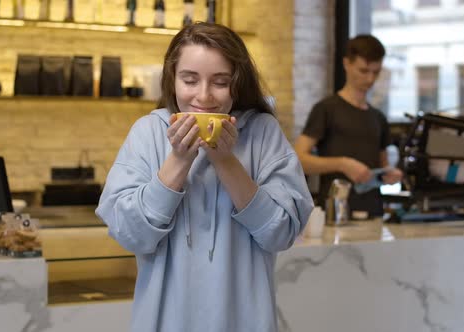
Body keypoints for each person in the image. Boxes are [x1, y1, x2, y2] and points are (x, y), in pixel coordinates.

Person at [96, 22, 313, 332]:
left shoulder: (263, 133)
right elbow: (131, 234)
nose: (204, 96)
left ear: (237, 84)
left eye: (220, 82)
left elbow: (281, 234)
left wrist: (225, 160)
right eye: (190, 80)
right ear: (172, 80)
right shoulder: (147, 132)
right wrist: (179, 160)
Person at [294, 34, 403, 218]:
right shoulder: (326, 109)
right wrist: (343, 164)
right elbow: (298, 160)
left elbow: (383, 166)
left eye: (376, 72)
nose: (370, 79)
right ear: (347, 64)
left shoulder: (379, 118)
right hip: (335, 215)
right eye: (363, 70)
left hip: (374, 214)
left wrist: (390, 175)